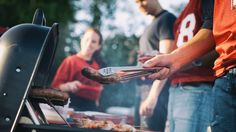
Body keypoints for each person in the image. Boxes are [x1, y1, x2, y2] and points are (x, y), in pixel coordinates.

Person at [141, 0, 236, 132]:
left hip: (197, 85)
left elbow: (217, 39)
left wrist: (193, 62)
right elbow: (212, 30)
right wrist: (170, 58)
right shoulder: (182, 14)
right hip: (179, 84)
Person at [134, 0, 176, 131]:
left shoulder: (166, 19)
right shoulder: (150, 25)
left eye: (141, 0)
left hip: (156, 92)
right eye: (136, 2)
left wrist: (152, 97)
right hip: (141, 91)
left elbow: (166, 62)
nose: (140, 5)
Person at [51, 28, 104, 111]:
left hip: (91, 110)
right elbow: (54, 87)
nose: (89, 43)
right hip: (71, 108)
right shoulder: (70, 61)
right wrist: (68, 86)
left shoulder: (96, 67)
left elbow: (97, 92)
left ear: (98, 46)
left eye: (93, 42)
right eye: (87, 39)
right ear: (82, 40)